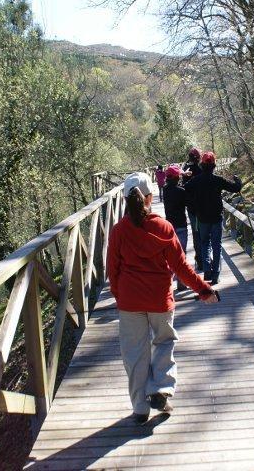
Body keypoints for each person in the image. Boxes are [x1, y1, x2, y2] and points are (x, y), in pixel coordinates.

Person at [107, 172, 220, 424]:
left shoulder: (118, 232)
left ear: (126, 200)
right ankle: (160, 389)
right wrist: (203, 289)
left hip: (129, 302)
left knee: (135, 355)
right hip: (159, 299)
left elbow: (111, 272)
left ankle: (139, 407)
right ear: (150, 198)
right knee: (164, 342)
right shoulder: (164, 227)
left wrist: (120, 297)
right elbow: (181, 268)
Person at [184, 151, 242, 285]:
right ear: (214, 165)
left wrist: (185, 178)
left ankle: (207, 271)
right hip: (216, 217)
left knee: (205, 243)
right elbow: (235, 187)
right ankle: (215, 274)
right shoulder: (218, 180)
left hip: (202, 218)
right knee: (217, 245)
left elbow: (185, 189)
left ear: (202, 164)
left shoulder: (196, 180)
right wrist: (238, 180)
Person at [163, 165, 190, 291]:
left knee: (170, 256)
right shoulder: (181, 191)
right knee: (182, 255)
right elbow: (188, 202)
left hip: (169, 227)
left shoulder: (164, 190)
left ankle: (168, 283)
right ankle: (181, 283)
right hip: (181, 226)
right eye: (178, 175)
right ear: (176, 177)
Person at [182, 148, 203, 270]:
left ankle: (199, 260)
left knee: (196, 233)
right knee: (204, 234)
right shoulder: (201, 170)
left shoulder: (186, 170)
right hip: (202, 207)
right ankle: (204, 260)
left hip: (191, 208)